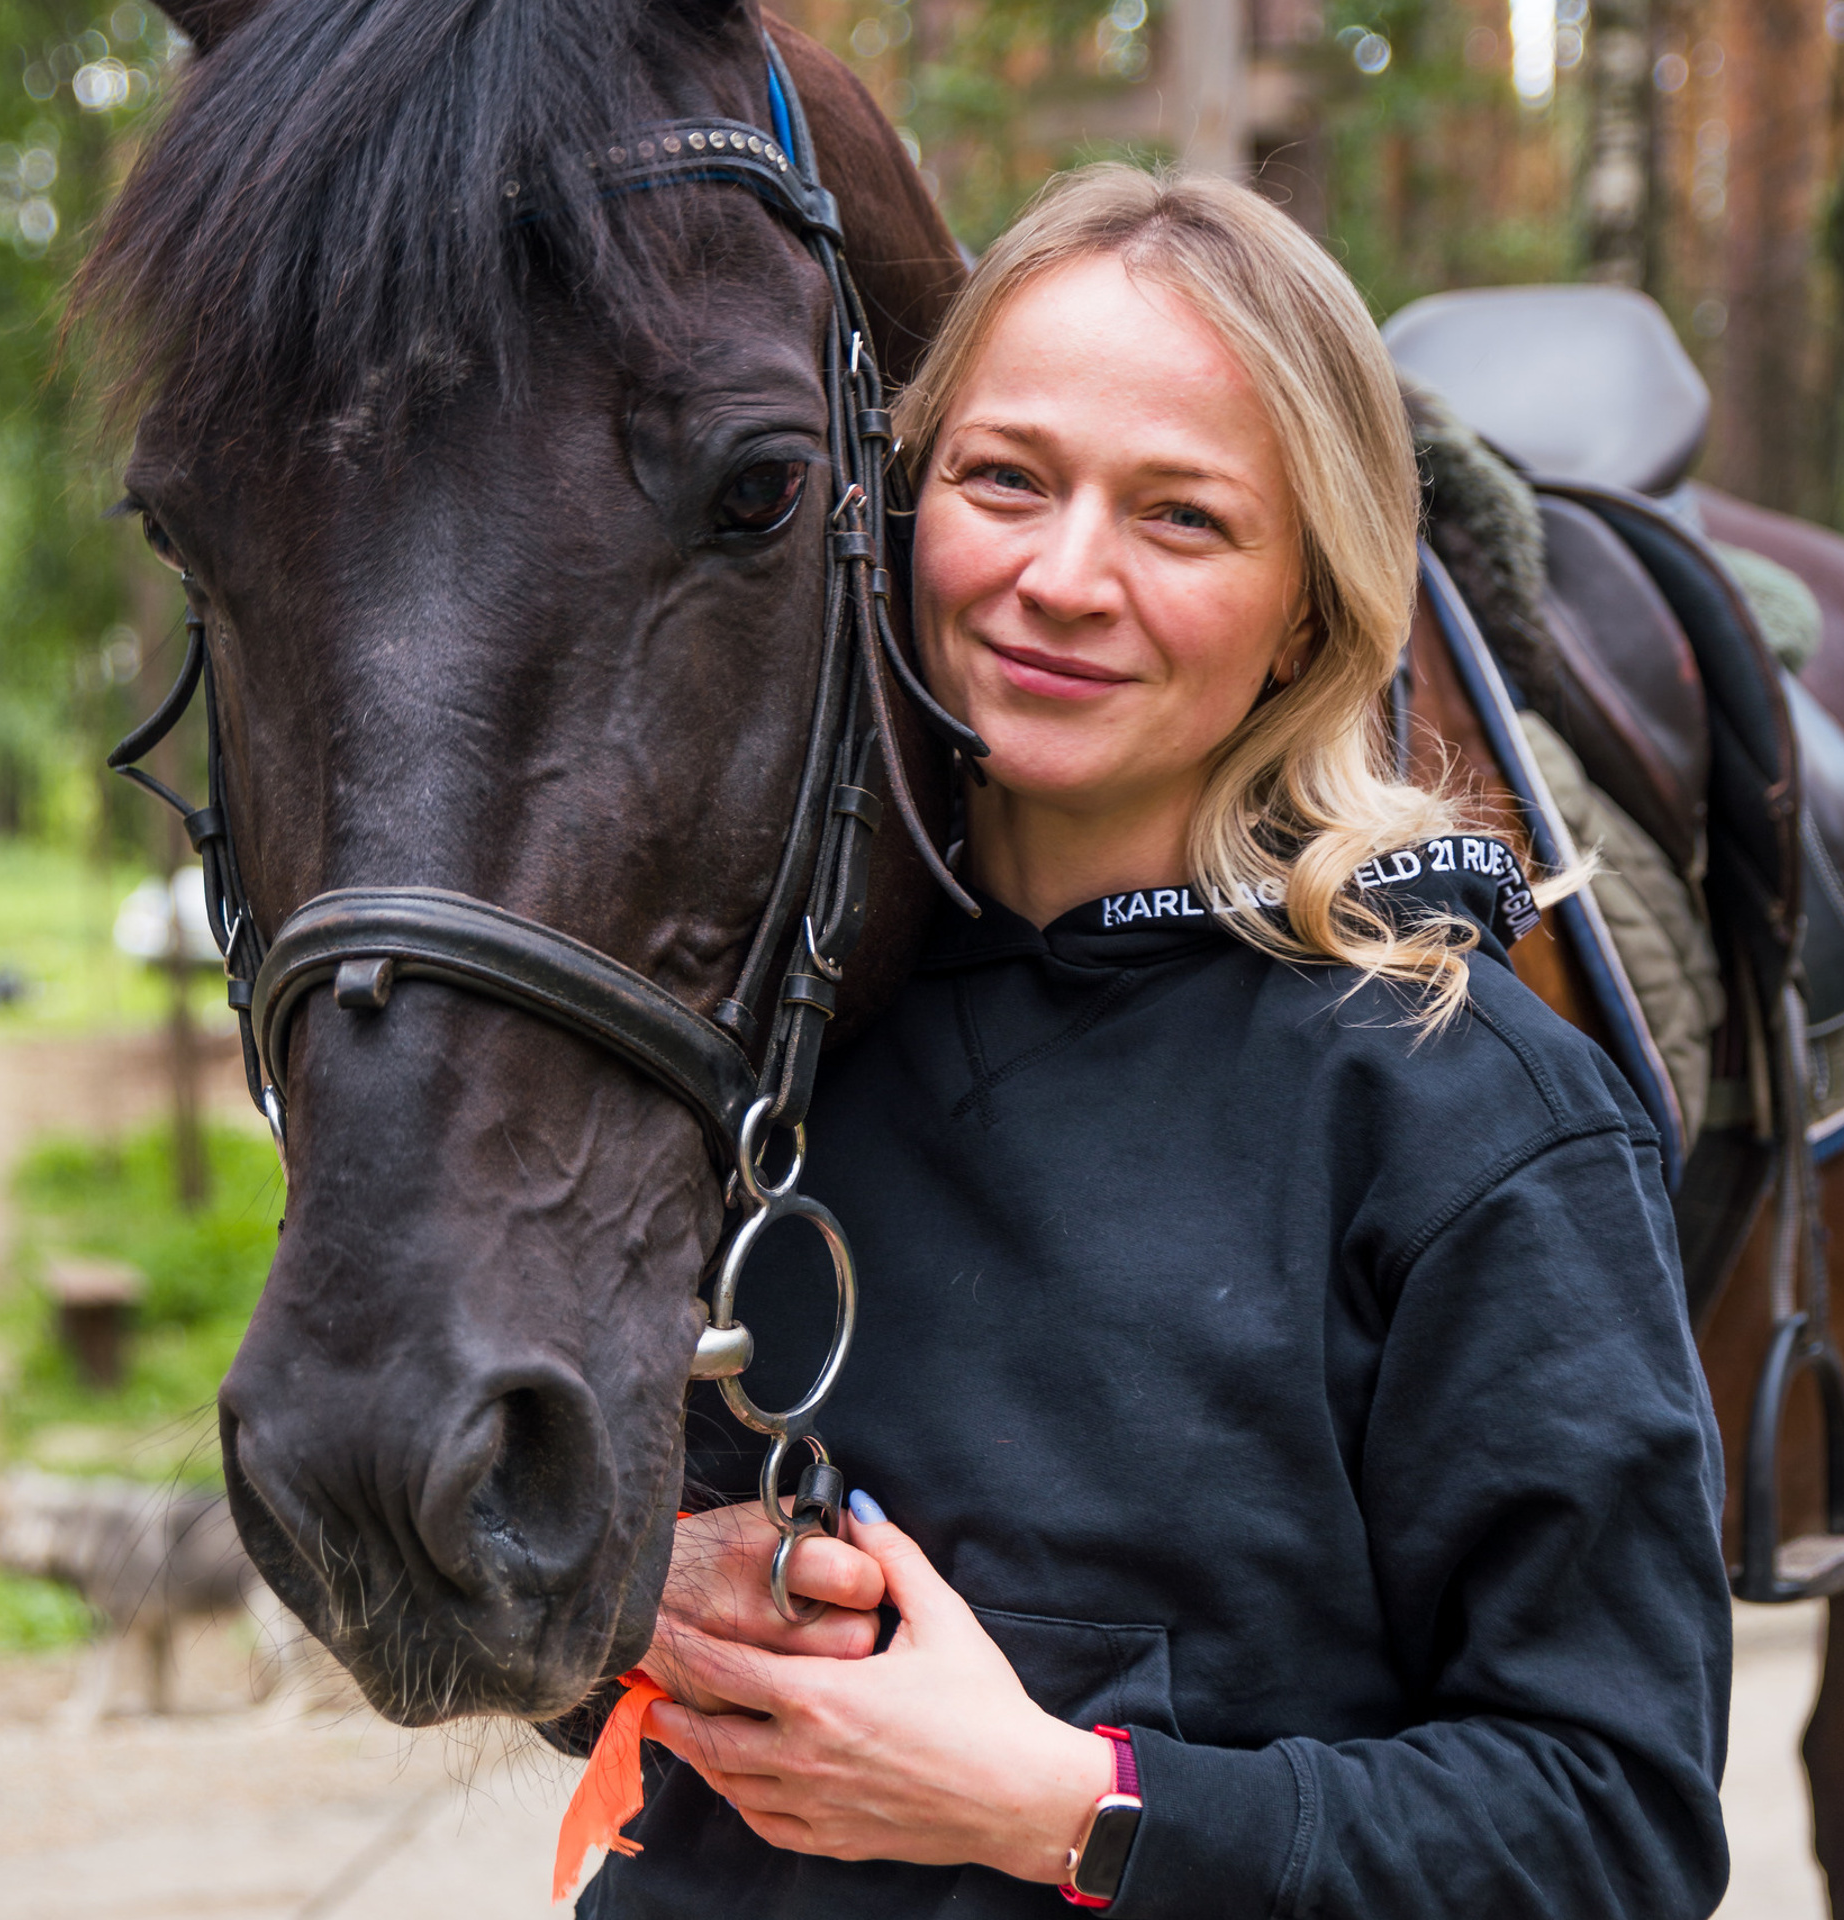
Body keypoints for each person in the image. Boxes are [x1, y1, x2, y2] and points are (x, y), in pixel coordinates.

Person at [580, 165, 1730, 1920]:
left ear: (1308, 607)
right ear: (901, 507)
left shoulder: (1469, 1116)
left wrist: (1075, 1810)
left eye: (1181, 517)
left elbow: (1611, 1827)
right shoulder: (749, 1032)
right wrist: (640, 1602)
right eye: (1005, 478)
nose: (1061, 578)